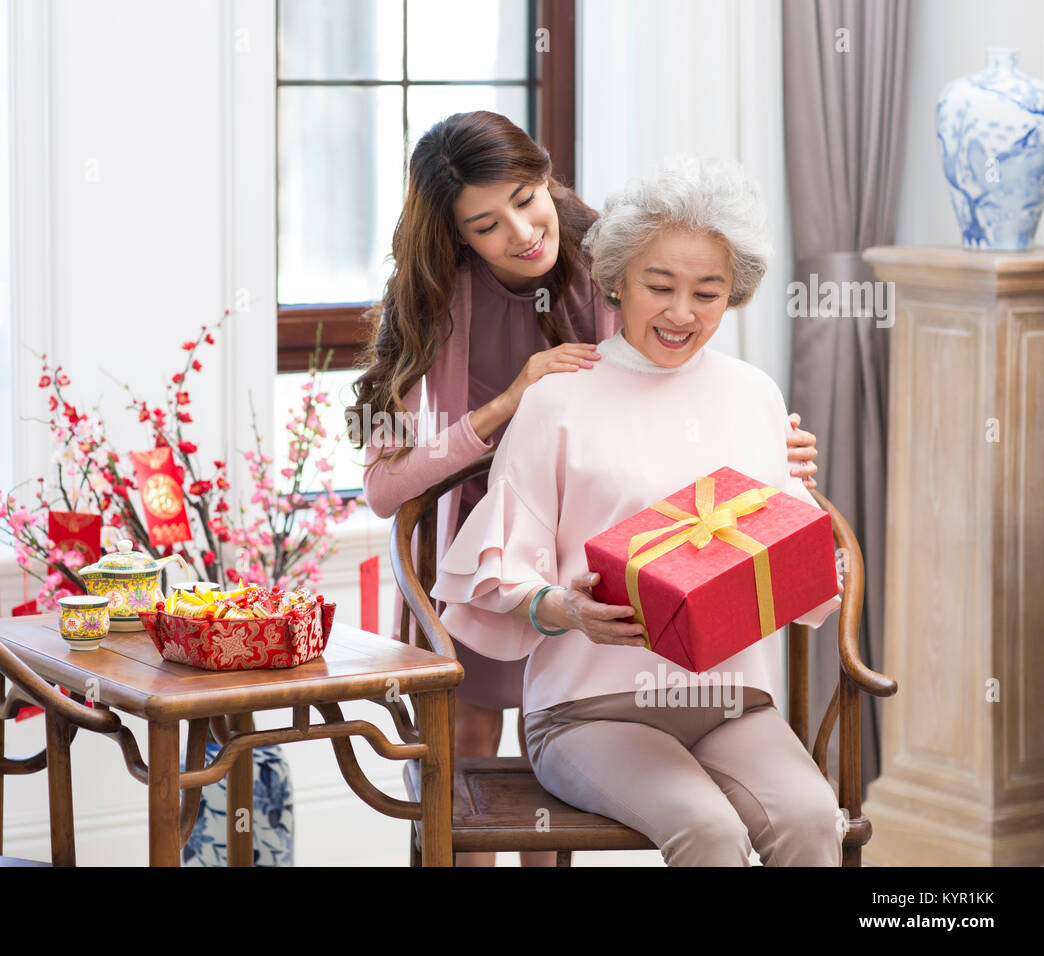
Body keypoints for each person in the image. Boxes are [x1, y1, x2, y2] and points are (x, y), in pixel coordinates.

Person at [346, 112, 820, 866]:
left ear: (547, 178)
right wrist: (505, 408)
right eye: (486, 224)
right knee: (468, 757)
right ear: (456, 237)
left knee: (575, 787)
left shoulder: (612, 247)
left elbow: (667, 386)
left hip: (604, 529)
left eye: (527, 197)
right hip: (495, 537)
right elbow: (383, 486)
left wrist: (769, 451)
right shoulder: (436, 301)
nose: (522, 231)